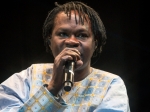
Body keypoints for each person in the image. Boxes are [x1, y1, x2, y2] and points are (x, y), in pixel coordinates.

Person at [0, 1, 130, 112]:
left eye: (82, 35)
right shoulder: (28, 77)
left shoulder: (111, 85)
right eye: (63, 34)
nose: (72, 41)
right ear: (50, 41)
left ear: (95, 43)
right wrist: (52, 88)